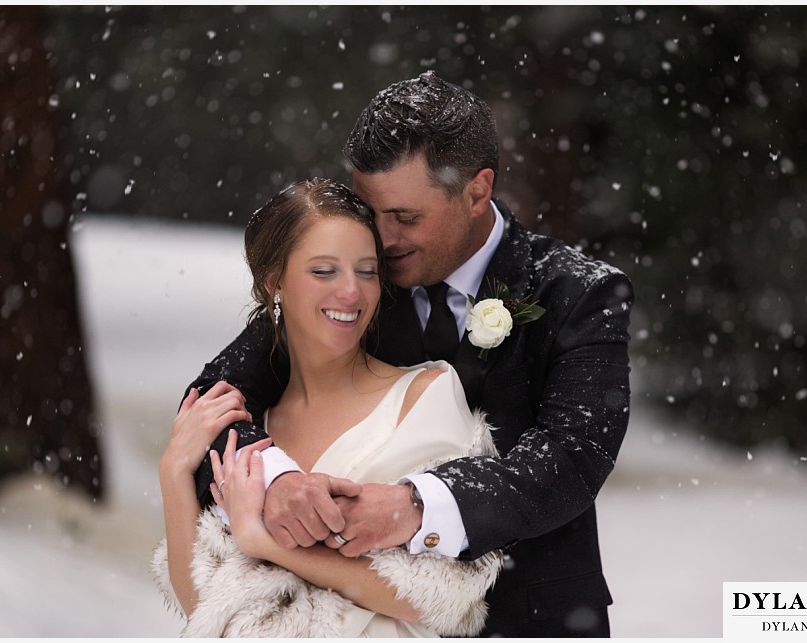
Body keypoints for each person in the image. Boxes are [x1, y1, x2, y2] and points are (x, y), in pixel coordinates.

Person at [184, 71, 634, 637]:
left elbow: (571, 456)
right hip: (365, 621)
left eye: (405, 217)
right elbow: (211, 400)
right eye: (370, 211)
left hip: (529, 617)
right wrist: (274, 482)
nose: (381, 236)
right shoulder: (355, 285)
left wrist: (415, 508)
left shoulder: (578, 292)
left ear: (477, 191)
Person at [152, 178, 502, 637]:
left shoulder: (424, 395)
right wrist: (174, 474)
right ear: (274, 282)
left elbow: (438, 597)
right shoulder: (251, 430)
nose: (352, 293)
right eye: (323, 271)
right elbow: (205, 608)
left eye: (366, 270)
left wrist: (270, 546)